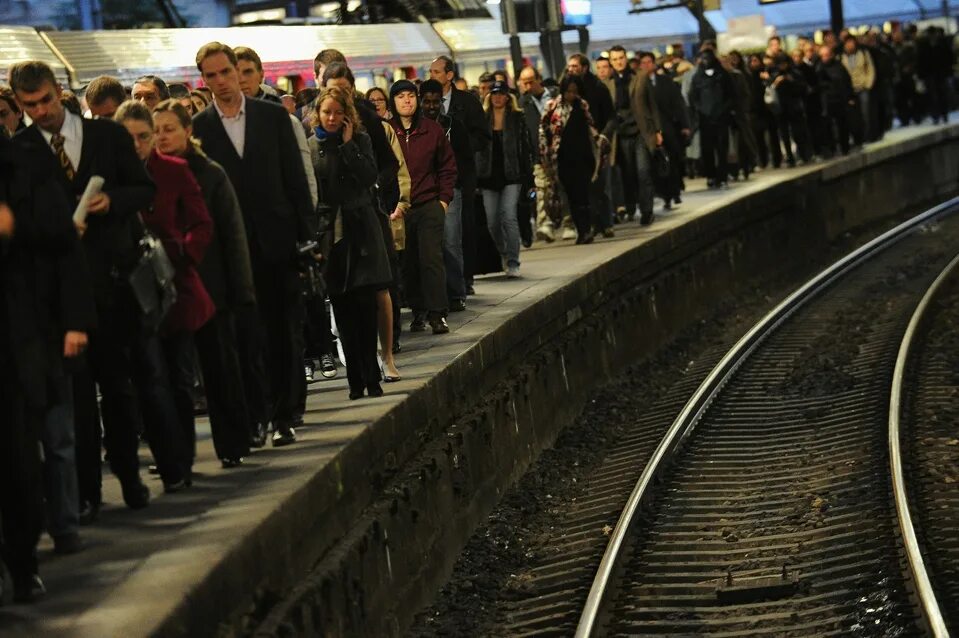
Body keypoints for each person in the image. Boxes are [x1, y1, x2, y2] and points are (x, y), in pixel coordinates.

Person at [9, 60, 165, 513]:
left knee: (118, 387)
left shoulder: (106, 136)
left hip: (111, 281)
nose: (40, 112)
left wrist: (109, 202)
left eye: (44, 101)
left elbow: (144, 189)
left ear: (58, 92)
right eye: (29, 106)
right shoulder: (19, 151)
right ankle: (87, 493)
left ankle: (130, 476)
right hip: (56, 295)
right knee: (74, 398)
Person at [191, 42, 314, 448]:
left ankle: (284, 414)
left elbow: (295, 178)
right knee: (247, 335)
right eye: (211, 76)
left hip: (278, 241)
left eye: (226, 72)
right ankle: (257, 415)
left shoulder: (270, 117)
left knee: (282, 330)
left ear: (238, 71)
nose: (221, 81)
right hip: (230, 249)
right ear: (203, 80)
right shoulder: (202, 128)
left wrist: (306, 236)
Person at [0, 132, 84, 602]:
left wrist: (14, 227)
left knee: (18, 457)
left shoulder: (25, 164)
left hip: (17, 338)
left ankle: (23, 557)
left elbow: (62, 244)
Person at [153, 98, 257, 467]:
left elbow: (232, 234)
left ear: (187, 131)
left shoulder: (210, 173)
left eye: (169, 129)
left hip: (213, 284)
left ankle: (233, 442)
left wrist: (241, 290)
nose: (162, 137)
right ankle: (175, 452)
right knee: (174, 376)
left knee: (220, 367)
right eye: (157, 131)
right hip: (169, 288)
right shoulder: (150, 174)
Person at [115, 99, 214, 481]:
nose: (139, 144)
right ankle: (170, 459)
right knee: (149, 379)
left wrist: (183, 254)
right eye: (132, 138)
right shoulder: (109, 178)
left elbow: (201, 222)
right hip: (131, 293)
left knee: (176, 377)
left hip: (174, 287)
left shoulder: (172, 171)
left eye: (146, 136)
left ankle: (180, 459)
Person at [309, 87, 393, 399]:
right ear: (318, 113)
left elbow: (369, 175)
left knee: (364, 306)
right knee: (342, 309)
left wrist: (346, 147)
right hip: (331, 234)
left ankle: (372, 376)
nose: (331, 118)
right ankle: (355, 380)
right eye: (326, 112)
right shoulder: (311, 146)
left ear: (347, 116)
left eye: (337, 112)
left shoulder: (360, 140)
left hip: (360, 230)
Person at [388, 79, 456, 334]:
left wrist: (443, 200)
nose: (407, 101)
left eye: (410, 96)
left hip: (429, 203)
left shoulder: (432, 130)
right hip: (399, 207)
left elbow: (447, 167)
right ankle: (418, 311)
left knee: (431, 259)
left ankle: (438, 314)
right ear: (393, 102)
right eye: (401, 96)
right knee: (409, 262)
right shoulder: (387, 131)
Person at [429, 55, 489, 294]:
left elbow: (483, 136)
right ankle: (451, 281)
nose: (432, 76)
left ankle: (465, 278)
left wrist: (460, 145)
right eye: (431, 72)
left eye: (436, 72)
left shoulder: (467, 102)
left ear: (449, 75)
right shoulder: (426, 106)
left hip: (462, 174)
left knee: (463, 227)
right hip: (437, 177)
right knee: (445, 232)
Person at [419, 79, 472, 310]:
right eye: (427, 102)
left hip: (451, 189)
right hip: (426, 192)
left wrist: (463, 186)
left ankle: (456, 292)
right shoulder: (417, 127)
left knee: (451, 241)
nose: (431, 107)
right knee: (432, 246)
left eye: (435, 102)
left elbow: (466, 158)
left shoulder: (453, 125)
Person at [476, 80, 531, 278]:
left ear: (508, 96)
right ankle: (504, 253)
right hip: (487, 175)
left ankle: (514, 260)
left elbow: (525, 147)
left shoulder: (517, 117)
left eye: (501, 94)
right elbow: (477, 149)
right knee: (492, 221)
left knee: (509, 216)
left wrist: (528, 176)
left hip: (512, 174)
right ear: (489, 96)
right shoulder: (482, 118)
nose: (498, 97)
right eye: (495, 94)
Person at [604, 45, 662, 225]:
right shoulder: (608, 83)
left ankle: (647, 211)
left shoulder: (640, 77)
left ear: (626, 58)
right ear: (611, 62)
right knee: (627, 174)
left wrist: (658, 131)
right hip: (619, 135)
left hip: (641, 132)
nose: (619, 62)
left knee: (643, 171)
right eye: (614, 59)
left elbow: (652, 105)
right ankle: (630, 206)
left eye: (621, 57)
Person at [540, 75, 599, 245]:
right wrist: (545, 153)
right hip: (562, 157)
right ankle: (581, 228)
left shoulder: (582, 105)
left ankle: (585, 229)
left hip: (583, 156)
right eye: (569, 91)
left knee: (583, 194)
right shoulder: (552, 107)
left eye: (575, 91)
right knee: (571, 195)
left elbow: (591, 127)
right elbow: (543, 130)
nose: (572, 95)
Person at [566, 53, 616, 236]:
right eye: (569, 67)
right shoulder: (567, 90)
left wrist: (604, 136)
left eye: (574, 66)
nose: (570, 70)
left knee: (600, 184)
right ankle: (592, 224)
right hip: (577, 144)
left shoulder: (598, 88)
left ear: (585, 68)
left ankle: (606, 222)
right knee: (583, 186)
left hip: (597, 142)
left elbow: (611, 116)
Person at [639, 52, 690, 208]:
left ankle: (675, 191)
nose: (647, 65)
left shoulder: (665, 81)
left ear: (654, 64)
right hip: (651, 130)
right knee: (658, 163)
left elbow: (678, 103)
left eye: (649, 62)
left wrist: (684, 124)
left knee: (673, 159)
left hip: (669, 127)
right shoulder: (639, 84)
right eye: (644, 63)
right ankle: (665, 194)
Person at [518, 66, 556, 242]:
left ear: (539, 79)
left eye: (530, 82)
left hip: (558, 152)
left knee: (561, 189)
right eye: (523, 82)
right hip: (537, 154)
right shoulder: (523, 103)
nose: (526, 86)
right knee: (541, 190)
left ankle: (568, 222)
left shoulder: (555, 97)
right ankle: (543, 223)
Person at [688, 47, 735, 188]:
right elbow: (693, 97)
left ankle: (723, 176)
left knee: (722, 148)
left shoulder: (723, 74)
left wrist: (724, 109)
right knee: (707, 149)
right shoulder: (697, 77)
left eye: (708, 58)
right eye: (703, 58)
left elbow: (731, 95)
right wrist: (700, 110)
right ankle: (711, 175)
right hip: (705, 118)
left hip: (721, 117)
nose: (706, 61)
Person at [770, 52, 813, 166]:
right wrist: (776, 82)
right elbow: (770, 90)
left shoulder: (795, 73)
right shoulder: (775, 75)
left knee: (798, 132)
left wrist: (791, 81)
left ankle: (803, 154)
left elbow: (802, 89)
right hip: (781, 108)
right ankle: (790, 157)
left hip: (794, 107)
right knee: (784, 135)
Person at [817, 44, 856, 157]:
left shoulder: (839, 66)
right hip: (827, 101)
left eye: (827, 55)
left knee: (843, 124)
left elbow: (846, 82)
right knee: (828, 127)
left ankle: (845, 146)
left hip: (840, 100)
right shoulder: (819, 69)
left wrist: (850, 97)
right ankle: (832, 148)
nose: (825, 58)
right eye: (823, 56)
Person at [841, 35, 876, 144]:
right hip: (850, 89)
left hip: (863, 86)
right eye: (848, 43)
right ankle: (857, 137)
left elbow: (870, 68)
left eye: (852, 42)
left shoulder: (863, 53)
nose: (850, 45)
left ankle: (867, 136)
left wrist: (868, 83)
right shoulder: (842, 57)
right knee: (854, 115)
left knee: (865, 113)